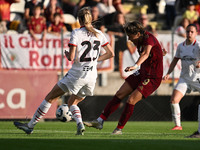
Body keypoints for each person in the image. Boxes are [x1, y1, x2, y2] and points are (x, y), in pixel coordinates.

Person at [13, 7, 114, 136]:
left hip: (76, 75)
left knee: (50, 98)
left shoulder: (76, 33)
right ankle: (80, 125)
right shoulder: (99, 34)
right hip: (91, 76)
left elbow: (71, 57)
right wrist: (95, 60)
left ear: (79, 20)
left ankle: (30, 126)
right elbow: (111, 54)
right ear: (91, 19)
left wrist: (67, 54)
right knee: (73, 103)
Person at [84, 21, 164, 135]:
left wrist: (135, 65)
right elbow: (151, 53)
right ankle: (100, 121)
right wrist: (160, 53)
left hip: (153, 78)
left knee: (131, 100)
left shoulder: (148, 38)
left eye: (130, 36)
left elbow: (146, 54)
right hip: (142, 73)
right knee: (119, 94)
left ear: (137, 34)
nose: (129, 39)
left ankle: (119, 129)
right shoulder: (139, 40)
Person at [163, 24, 200, 132]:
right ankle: (178, 125)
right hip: (184, 78)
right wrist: (168, 73)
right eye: (188, 31)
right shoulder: (181, 46)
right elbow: (175, 60)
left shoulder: (198, 45)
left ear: (196, 33)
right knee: (174, 100)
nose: (189, 33)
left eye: (192, 32)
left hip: (197, 78)